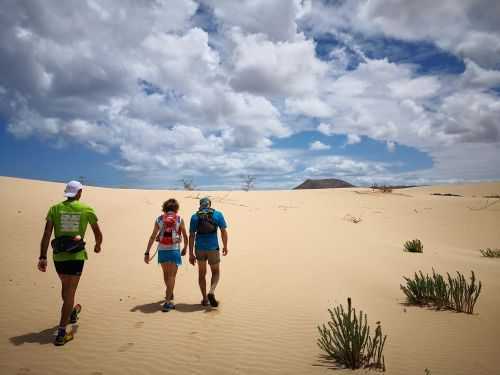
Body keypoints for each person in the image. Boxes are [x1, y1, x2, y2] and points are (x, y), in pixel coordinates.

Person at [37, 180, 103, 346]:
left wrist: (42, 257)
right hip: (76, 257)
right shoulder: (86, 209)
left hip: (58, 257)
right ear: (79, 192)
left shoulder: (55, 209)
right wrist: (97, 245)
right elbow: (98, 232)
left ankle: (71, 312)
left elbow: (46, 233)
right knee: (70, 291)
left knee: (66, 288)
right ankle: (61, 333)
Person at [144, 198, 188, 312]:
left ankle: (169, 293)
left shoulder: (159, 219)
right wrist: (185, 247)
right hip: (174, 250)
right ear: (176, 208)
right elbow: (185, 235)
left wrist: (147, 252)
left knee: (166, 273)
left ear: (164, 208)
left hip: (162, 251)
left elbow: (153, 236)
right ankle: (168, 302)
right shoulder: (179, 219)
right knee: (172, 276)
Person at [189, 197, 228, 307]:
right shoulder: (217, 214)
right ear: (209, 205)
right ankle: (211, 291)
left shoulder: (195, 216)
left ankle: (205, 299)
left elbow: (191, 235)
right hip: (213, 248)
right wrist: (225, 246)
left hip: (199, 249)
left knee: (202, 274)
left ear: (200, 205)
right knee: (215, 272)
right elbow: (223, 231)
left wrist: (191, 253)